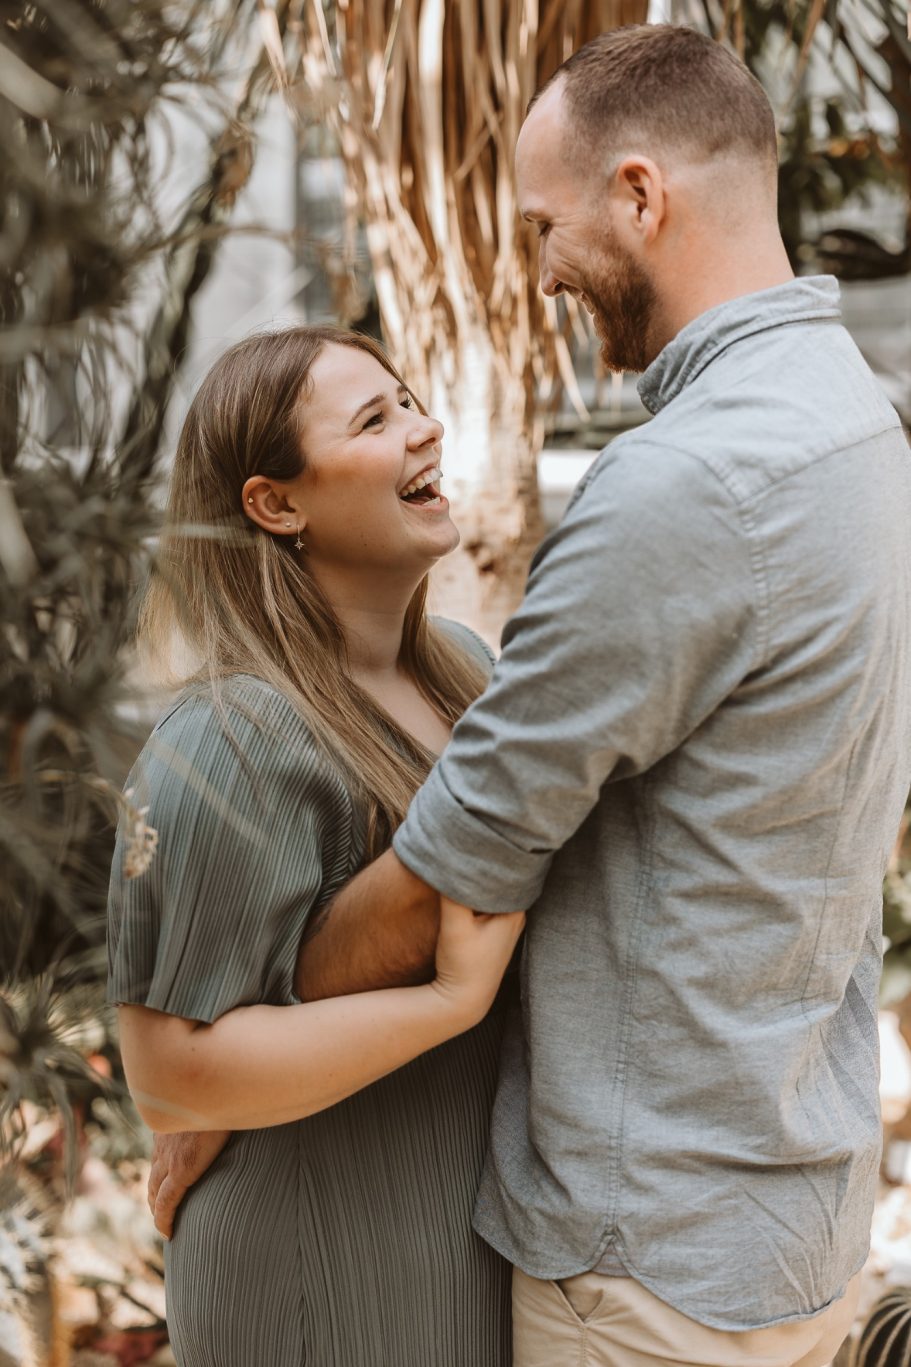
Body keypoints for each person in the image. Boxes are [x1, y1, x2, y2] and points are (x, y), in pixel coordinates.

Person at [151, 24, 911, 1367]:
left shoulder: (679, 485)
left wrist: (223, 1067)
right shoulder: (855, 421)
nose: (542, 269)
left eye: (547, 224)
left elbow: (460, 861)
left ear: (638, 194)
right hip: (788, 1221)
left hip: (640, 1261)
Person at [107, 324, 524, 1367]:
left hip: (455, 1255)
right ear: (274, 502)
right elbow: (167, 1073)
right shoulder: (231, 737)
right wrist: (442, 1003)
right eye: (375, 419)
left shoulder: (466, 672)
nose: (424, 428)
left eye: (411, 400)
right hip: (316, 1282)